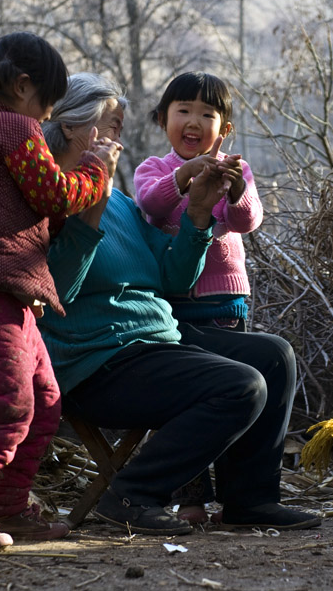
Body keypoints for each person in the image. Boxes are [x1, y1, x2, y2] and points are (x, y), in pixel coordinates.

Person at [38, 72, 321, 536]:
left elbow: (171, 277)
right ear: (71, 127)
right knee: (241, 386)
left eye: (119, 129)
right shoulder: (50, 198)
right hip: (99, 362)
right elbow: (58, 291)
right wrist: (88, 212)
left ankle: (250, 500)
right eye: (109, 127)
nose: (117, 140)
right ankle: (132, 494)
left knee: (274, 356)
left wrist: (196, 216)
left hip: (153, 342)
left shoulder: (123, 204)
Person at [0, 33, 122, 550]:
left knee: (45, 403)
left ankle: (8, 508)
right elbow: (56, 194)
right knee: (4, 405)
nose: (51, 118)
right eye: (49, 105)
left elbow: (44, 211)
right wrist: (97, 171)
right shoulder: (13, 126)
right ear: (22, 85)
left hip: (7, 300)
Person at [132, 72, 261, 522]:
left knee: (242, 395)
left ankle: (240, 494)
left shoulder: (234, 170)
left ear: (223, 130)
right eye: (183, 110)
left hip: (225, 309)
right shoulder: (153, 169)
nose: (193, 120)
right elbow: (152, 206)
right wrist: (184, 178)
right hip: (174, 310)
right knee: (185, 401)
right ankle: (189, 497)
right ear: (163, 119)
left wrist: (238, 192)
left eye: (207, 114)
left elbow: (246, 222)